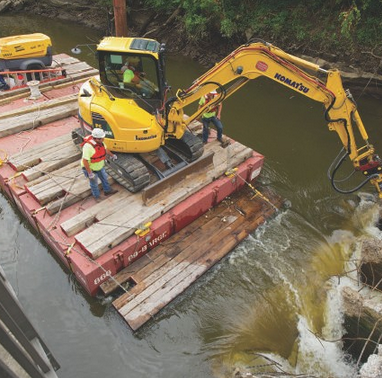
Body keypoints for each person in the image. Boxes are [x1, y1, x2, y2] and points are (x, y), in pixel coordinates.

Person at [81, 128, 118, 201]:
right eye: (102, 138)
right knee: (94, 183)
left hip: (100, 166)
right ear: (96, 139)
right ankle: (96, 196)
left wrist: (112, 155)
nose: (103, 140)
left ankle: (107, 190)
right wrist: (90, 173)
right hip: (91, 169)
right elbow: (85, 161)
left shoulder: (101, 143)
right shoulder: (88, 147)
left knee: (104, 178)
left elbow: (105, 149)